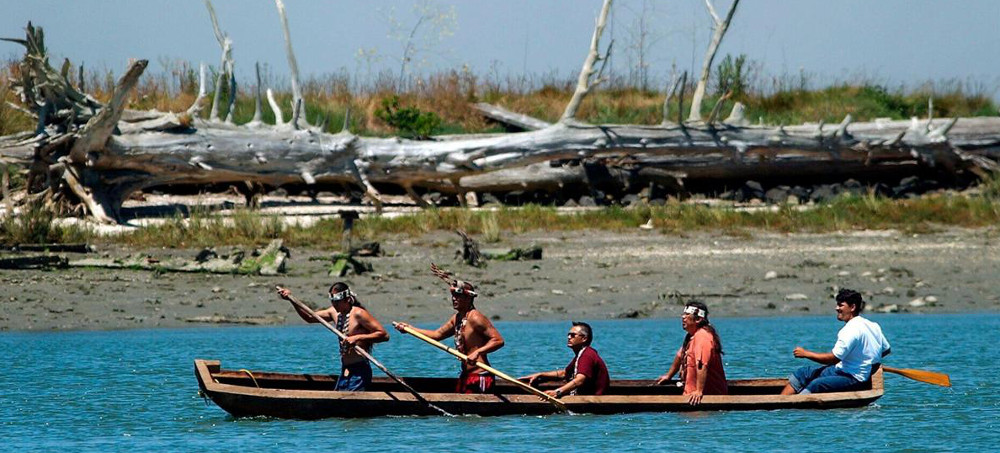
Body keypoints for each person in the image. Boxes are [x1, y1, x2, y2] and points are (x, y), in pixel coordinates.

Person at [394, 278, 505, 394]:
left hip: (480, 376)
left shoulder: (476, 317)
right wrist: (410, 328)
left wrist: (478, 353)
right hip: (466, 376)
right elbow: (437, 335)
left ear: (468, 298)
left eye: (458, 296)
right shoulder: (457, 318)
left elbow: (498, 340)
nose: (454, 299)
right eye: (453, 296)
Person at [277, 282, 389, 391]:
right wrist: (292, 300)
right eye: (333, 301)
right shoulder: (334, 312)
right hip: (345, 369)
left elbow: (384, 335)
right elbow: (310, 317)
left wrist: (357, 338)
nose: (334, 305)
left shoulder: (359, 314)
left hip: (360, 371)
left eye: (337, 302)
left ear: (347, 300)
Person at [781, 289, 891, 395]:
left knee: (816, 384)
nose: (836, 308)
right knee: (803, 373)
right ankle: (781, 402)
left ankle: (791, 407)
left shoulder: (850, 330)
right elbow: (886, 350)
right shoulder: (873, 326)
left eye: (840, 305)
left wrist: (805, 354)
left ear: (852, 307)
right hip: (842, 370)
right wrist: (868, 361)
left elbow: (833, 359)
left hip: (854, 378)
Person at [655, 301, 728, 405]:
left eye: (687, 315)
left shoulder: (702, 337)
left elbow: (702, 364)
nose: (683, 317)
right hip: (690, 395)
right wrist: (668, 376)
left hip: (707, 396)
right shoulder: (691, 336)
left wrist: (699, 391)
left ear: (698, 319)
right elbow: (680, 355)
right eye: (683, 314)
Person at [520, 322, 611, 397]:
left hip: (593, 400)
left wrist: (557, 392)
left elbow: (580, 379)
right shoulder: (581, 354)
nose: (568, 337)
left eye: (573, 335)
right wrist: (541, 374)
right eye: (568, 335)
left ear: (584, 338)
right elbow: (565, 373)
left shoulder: (587, 355)